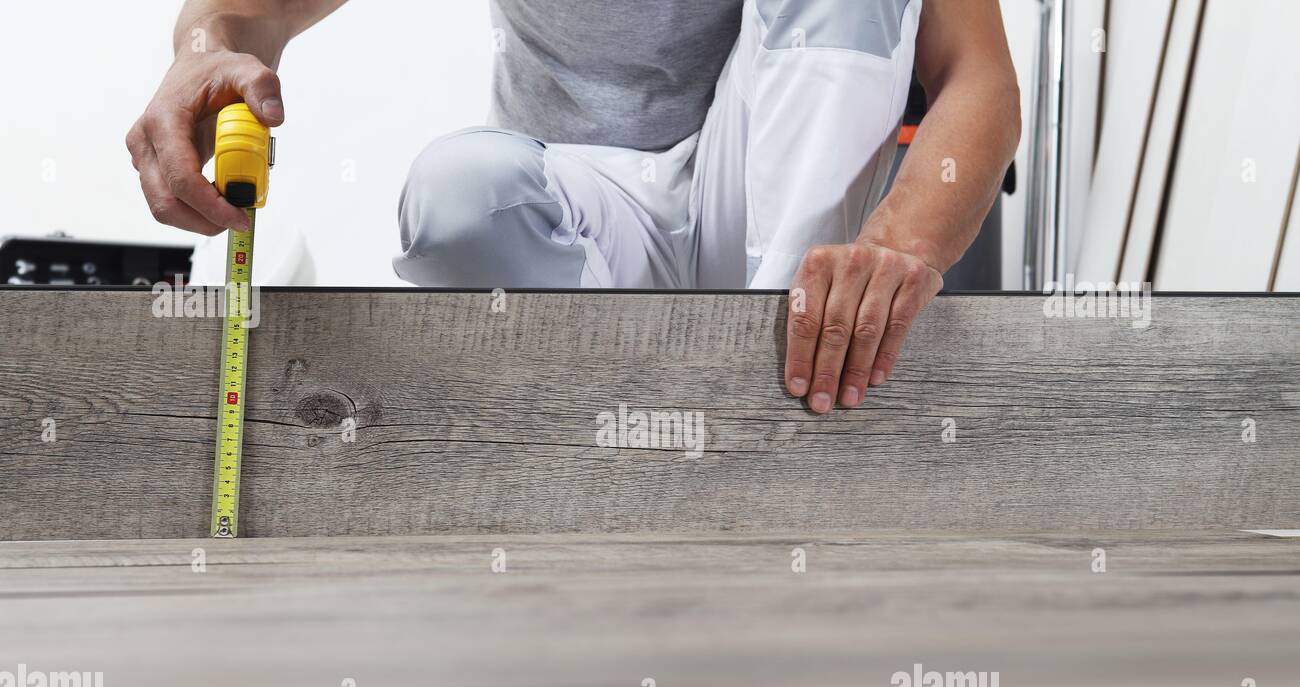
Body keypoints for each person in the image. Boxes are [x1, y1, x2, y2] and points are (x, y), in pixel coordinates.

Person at [127, 0, 1019, 414]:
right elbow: (250, 10)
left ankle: (788, 375)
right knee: (455, 195)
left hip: (752, 211)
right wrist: (202, 52)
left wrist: (902, 244)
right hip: (576, 228)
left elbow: (978, 74)